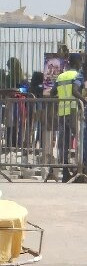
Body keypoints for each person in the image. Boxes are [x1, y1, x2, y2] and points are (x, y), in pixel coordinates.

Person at [53, 53, 83, 181]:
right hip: (74, 110)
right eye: (81, 62)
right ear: (77, 63)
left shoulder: (60, 76)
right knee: (80, 141)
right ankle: (80, 169)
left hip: (62, 111)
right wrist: (84, 101)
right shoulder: (78, 75)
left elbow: (53, 92)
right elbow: (75, 91)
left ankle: (65, 172)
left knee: (63, 143)